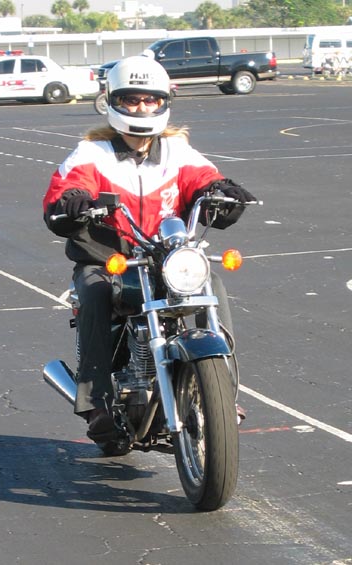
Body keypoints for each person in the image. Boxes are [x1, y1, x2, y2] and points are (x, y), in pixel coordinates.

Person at [43, 55, 256, 439]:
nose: (142, 107)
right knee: (93, 291)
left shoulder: (177, 151)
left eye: (150, 99)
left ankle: (223, 390)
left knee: (212, 284)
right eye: (131, 99)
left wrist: (222, 191)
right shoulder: (92, 154)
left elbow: (204, 178)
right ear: (113, 101)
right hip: (110, 259)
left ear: (163, 102)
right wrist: (73, 200)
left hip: (165, 258)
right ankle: (96, 400)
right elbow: (69, 187)